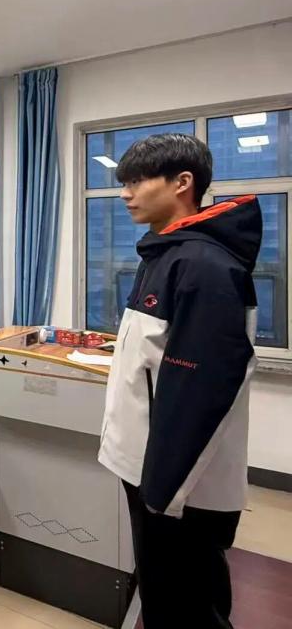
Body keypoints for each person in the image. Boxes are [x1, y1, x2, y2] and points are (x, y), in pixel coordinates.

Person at [98, 134, 261, 629]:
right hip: (151, 471)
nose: (125, 193)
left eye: (136, 181)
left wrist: (162, 492)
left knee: (185, 609)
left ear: (182, 183)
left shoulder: (203, 267)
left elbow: (203, 391)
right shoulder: (164, 256)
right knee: (167, 600)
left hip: (175, 487)